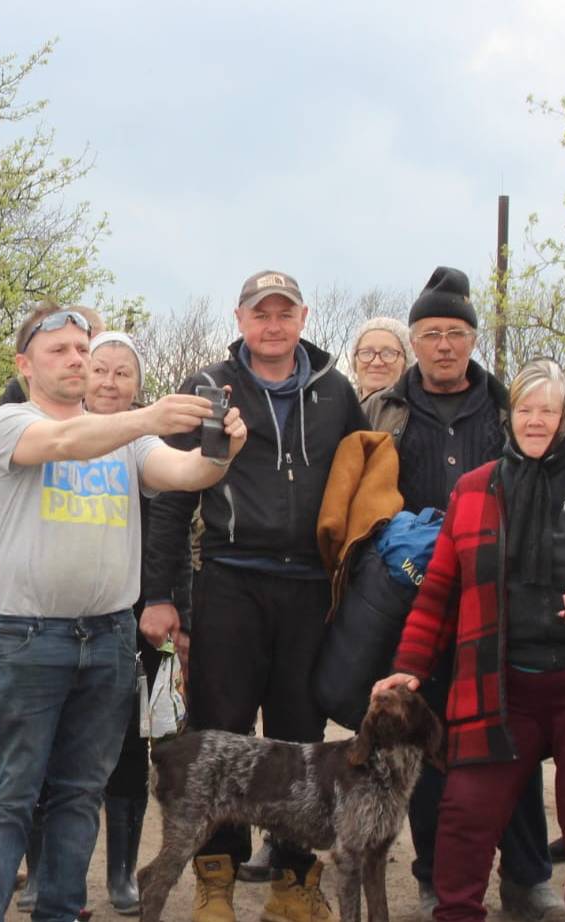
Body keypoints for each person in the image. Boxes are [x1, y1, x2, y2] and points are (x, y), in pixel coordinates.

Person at [374, 358, 565, 922]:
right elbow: (439, 591)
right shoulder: (474, 490)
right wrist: (410, 666)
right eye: (525, 409)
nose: (535, 421)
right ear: (510, 416)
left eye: (549, 410)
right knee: (465, 816)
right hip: (501, 687)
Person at [0, 309, 246, 922]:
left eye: (81, 348)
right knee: (10, 793)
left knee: (80, 794)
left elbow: (185, 473)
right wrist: (146, 416)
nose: (75, 358)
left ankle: (60, 911)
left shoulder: (129, 439)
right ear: (23, 364)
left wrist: (223, 449)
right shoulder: (10, 422)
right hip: (29, 636)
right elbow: (63, 443)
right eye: (59, 349)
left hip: (110, 637)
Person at [141, 269, 366, 922]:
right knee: (221, 733)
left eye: (284, 313)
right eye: (260, 313)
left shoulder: (336, 391)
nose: (272, 325)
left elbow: (363, 481)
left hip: (309, 587)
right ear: (239, 319)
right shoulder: (209, 387)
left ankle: (293, 883)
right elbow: (173, 496)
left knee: (301, 737)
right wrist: (159, 594)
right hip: (230, 579)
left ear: (303, 318)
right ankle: (215, 879)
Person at [359, 267, 560, 919]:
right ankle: (435, 877)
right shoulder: (381, 410)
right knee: (424, 740)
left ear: (472, 339)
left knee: (513, 735)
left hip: (502, 599)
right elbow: (357, 501)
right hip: (412, 600)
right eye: (430, 333)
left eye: (455, 332)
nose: (443, 344)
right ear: (412, 341)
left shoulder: (508, 407)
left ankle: (527, 878)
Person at [87, 331, 187, 917]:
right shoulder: (54, 431)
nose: (109, 382)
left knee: (130, 743)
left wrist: (166, 601)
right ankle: (46, 869)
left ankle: (122, 871)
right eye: (100, 369)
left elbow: (172, 537)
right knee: (55, 744)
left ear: (137, 385)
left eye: (123, 373)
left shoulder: (151, 445)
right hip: (64, 612)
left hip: (135, 616)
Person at [349, 317, 412, 401]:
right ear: (355, 361)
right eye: (367, 353)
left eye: (388, 354)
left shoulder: (423, 408)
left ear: (405, 364)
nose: (376, 362)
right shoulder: (336, 406)